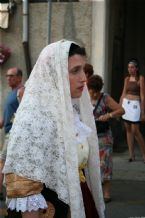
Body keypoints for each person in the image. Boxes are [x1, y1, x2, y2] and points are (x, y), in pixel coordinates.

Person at [3, 40, 105, 218]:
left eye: (83, 69)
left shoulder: (70, 114)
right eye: (75, 71)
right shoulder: (33, 120)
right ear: (53, 74)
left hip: (80, 202)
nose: (84, 78)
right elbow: (25, 188)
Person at [87, 74, 124, 203]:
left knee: (105, 164)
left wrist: (109, 115)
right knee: (90, 165)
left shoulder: (105, 98)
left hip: (104, 137)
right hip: (89, 137)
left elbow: (121, 110)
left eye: (97, 92)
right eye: (92, 91)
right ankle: (91, 192)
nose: (95, 94)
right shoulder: (83, 97)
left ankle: (106, 194)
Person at [0, 67, 24, 201]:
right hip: (8, 133)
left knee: (2, 163)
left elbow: (26, 113)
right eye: (7, 76)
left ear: (20, 77)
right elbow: (3, 121)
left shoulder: (21, 91)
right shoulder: (10, 94)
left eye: (12, 76)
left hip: (15, 134)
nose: (8, 78)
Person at [120, 58, 145, 162]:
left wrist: (143, 111)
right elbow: (123, 93)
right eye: (129, 67)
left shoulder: (141, 78)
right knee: (128, 129)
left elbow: (143, 95)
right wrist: (119, 106)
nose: (130, 69)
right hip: (126, 105)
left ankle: (144, 153)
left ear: (136, 68)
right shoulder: (126, 79)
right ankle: (131, 154)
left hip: (135, 105)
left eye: (132, 67)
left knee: (135, 130)